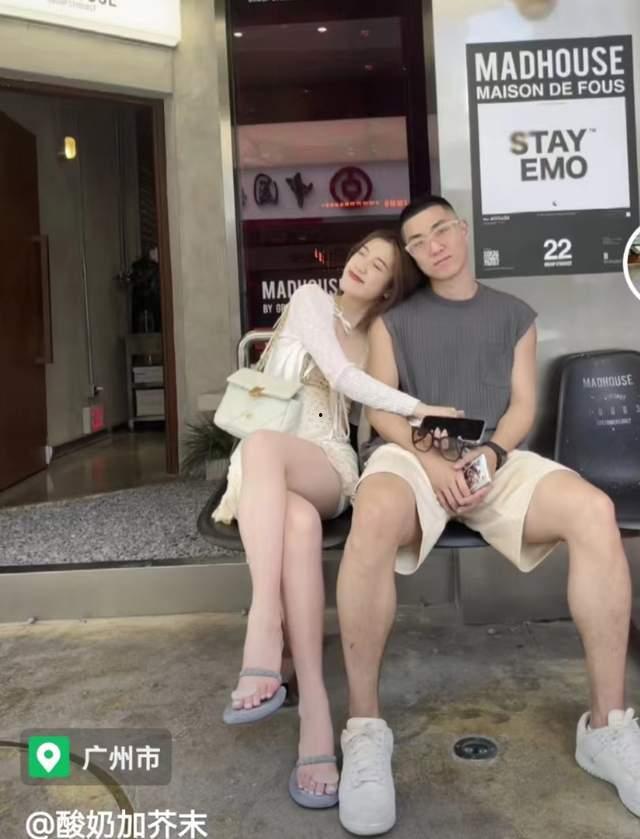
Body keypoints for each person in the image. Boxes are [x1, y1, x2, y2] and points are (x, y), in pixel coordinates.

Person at [336, 196, 639, 835]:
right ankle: (364, 731)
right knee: (375, 512)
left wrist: (493, 456)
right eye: (419, 241)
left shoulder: (514, 315)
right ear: (412, 256)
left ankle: (607, 728)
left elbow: (523, 405)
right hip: (415, 457)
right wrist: (431, 459)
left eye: (441, 229)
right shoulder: (396, 321)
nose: (435, 244)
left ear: (463, 230)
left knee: (594, 510)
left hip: (493, 460)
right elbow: (379, 409)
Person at [214, 230, 462, 809]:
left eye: (378, 266)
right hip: (267, 457)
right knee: (296, 521)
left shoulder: (377, 337)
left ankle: (264, 631)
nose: (361, 266)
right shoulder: (310, 300)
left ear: (388, 289)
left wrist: (426, 422)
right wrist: (420, 406)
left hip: (325, 461)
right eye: (360, 256)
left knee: (273, 461)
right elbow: (345, 379)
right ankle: (317, 718)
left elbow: (368, 403)